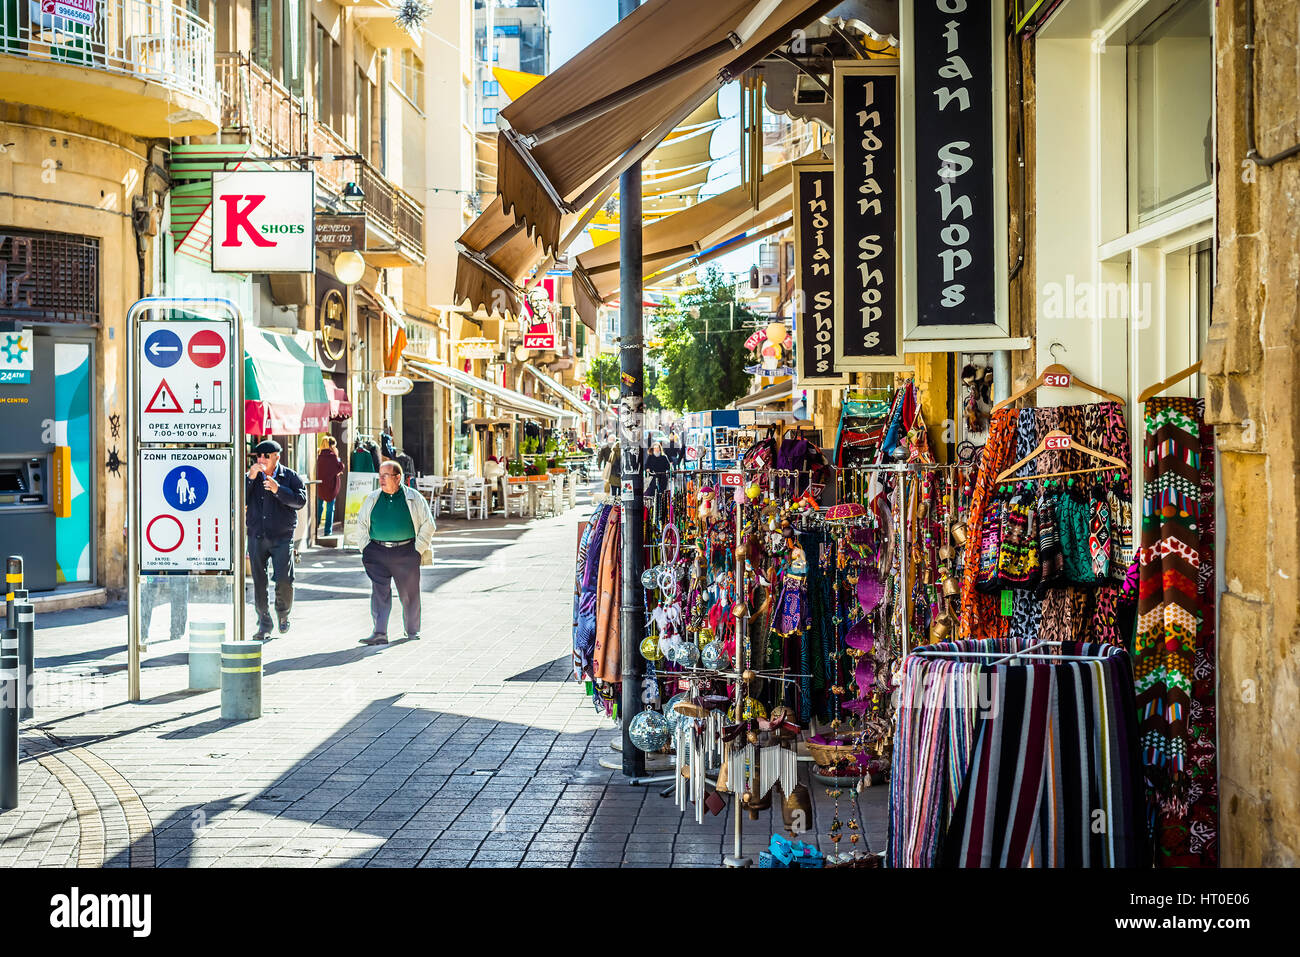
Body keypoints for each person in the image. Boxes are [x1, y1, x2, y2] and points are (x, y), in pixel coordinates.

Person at [355, 460, 436, 645]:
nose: (381, 479)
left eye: (386, 475)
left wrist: (418, 550)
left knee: (409, 593)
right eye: (380, 475)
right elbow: (361, 524)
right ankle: (379, 632)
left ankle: (412, 630)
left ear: (398, 478)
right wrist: (366, 548)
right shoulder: (372, 498)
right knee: (379, 592)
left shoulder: (414, 498)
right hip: (377, 551)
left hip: (406, 551)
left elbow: (429, 524)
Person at [245, 439, 307, 640]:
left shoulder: (289, 476)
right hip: (257, 535)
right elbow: (236, 498)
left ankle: (283, 613)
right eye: (258, 456)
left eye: (266, 456)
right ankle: (264, 623)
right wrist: (249, 479)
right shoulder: (251, 476)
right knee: (259, 581)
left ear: (276, 457)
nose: (261, 459)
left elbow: (300, 501)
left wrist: (278, 489)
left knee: (283, 579)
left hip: (281, 536)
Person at [316, 435, 344, 537]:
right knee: (330, 508)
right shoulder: (332, 456)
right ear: (332, 446)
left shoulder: (318, 455)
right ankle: (327, 531)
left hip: (320, 485)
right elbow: (340, 467)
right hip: (331, 486)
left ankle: (316, 528)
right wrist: (337, 456)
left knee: (319, 507)